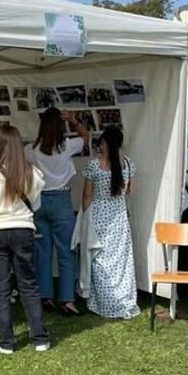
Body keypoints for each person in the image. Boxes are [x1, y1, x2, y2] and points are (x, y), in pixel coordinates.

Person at [0, 124, 50, 354]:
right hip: (23, 230)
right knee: (29, 285)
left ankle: (6, 341)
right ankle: (39, 338)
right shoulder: (32, 172)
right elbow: (35, 205)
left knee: (0, 287)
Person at [27, 107, 89, 315]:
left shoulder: (31, 149)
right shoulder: (67, 146)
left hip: (39, 200)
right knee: (66, 251)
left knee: (42, 251)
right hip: (61, 199)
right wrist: (73, 119)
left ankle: (45, 296)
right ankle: (67, 299)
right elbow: (85, 136)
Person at [82, 126, 139, 318]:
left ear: (106, 143)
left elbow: (87, 195)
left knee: (100, 260)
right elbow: (131, 191)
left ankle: (105, 303)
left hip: (99, 217)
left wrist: (82, 216)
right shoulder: (129, 164)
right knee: (121, 262)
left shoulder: (94, 165)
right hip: (120, 219)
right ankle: (124, 301)